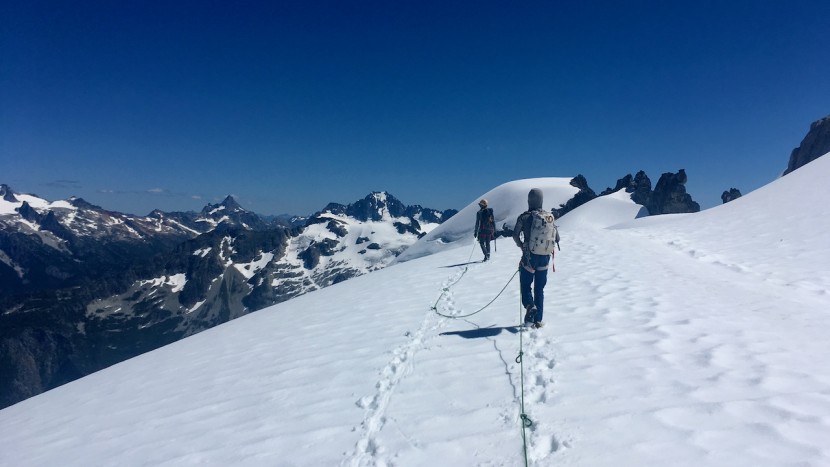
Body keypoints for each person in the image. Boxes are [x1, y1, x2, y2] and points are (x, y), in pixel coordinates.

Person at [512, 188, 559, 328]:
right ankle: (538, 320)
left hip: (529, 257)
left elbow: (515, 235)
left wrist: (521, 246)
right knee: (539, 289)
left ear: (529, 200)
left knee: (526, 286)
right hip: (545, 258)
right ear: (541, 200)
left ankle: (530, 306)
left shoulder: (524, 217)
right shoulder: (549, 217)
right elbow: (557, 238)